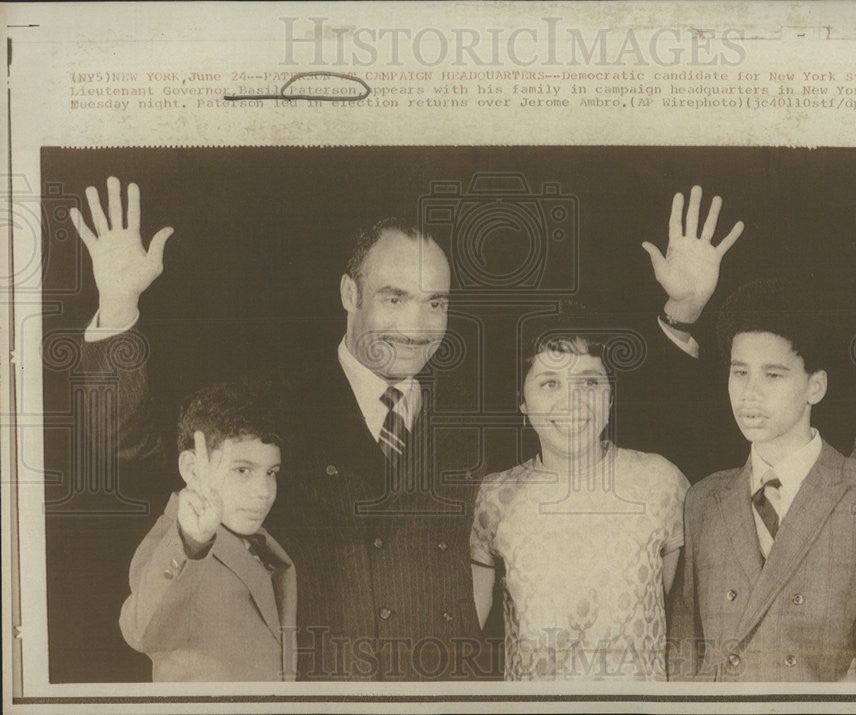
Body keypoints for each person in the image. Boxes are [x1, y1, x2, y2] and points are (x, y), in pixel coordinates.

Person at [69, 177, 743, 681]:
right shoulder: (276, 405)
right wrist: (118, 307)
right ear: (348, 294)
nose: (416, 325)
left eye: (435, 303)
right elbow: (132, 448)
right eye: (393, 298)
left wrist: (681, 313)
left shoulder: (477, 415)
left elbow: (606, 422)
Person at [667, 280, 856, 682]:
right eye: (740, 372)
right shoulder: (703, 499)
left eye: (773, 375)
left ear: (814, 387)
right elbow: (681, 656)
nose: (749, 393)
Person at [469, 314, 689, 681]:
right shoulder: (494, 497)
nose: (571, 402)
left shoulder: (660, 481)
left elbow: (683, 618)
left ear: (611, 395)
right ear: (521, 401)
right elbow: (465, 624)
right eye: (550, 383)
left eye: (588, 382)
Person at [119, 380, 296, 681]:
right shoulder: (178, 543)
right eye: (242, 470)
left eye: (271, 473)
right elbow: (141, 632)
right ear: (191, 469)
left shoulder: (264, 543)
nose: (265, 491)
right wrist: (192, 541)